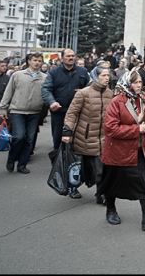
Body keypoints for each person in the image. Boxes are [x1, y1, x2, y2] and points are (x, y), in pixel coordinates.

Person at [98, 71, 145, 231]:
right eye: (135, 82)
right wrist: (137, 129)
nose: (139, 85)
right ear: (127, 84)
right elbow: (111, 129)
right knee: (113, 183)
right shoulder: (117, 101)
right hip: (118, 153)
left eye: (140, 82)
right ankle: (111, 209)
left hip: (141, 150)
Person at [61, 66, 113, 201]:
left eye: (108, 75)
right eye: (103, 75)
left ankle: (101, 193)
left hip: (103, 137)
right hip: (84, 136)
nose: (107, 78)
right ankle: (72, 187)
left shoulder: (110, 94)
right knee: (79, 167)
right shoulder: (83, 93)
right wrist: (67, 131)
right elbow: (72, 113)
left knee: (101, 168)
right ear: (96, 77)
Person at [0, 52, 47, 174]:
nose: (37, 63)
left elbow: (47, 94)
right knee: (19, 137)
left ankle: (22, 164)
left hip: (35, 111)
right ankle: (11, 158)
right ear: (28, 61)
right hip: (17, 110)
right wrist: (3, 108)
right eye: (35, 60)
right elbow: (8, 92)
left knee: (29, 139)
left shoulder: (44, 77)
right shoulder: (18, 75)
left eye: (39, 61)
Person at [41, 48, 89, 159]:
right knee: (58, 138)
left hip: (78, 112)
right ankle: (58, 163)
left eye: (73, 56)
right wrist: (52, 102)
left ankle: (74, 163)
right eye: (68, 56)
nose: (71, 58)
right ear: (62, 58)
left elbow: (90, 87)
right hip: (59, 111)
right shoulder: (53, 73)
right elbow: (46, 89)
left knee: (77, 138)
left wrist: (84, 92)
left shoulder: (82, 72)